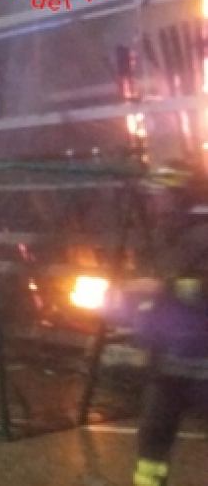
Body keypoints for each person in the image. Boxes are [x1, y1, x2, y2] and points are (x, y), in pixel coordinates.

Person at [131, 168, 208, 485]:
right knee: (153, 438)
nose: (154, 204)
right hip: (167, 364)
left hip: (202, 363)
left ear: (179, 197)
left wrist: (165, 289)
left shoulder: (202, 234)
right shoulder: (166, 236)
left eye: (160, 197)